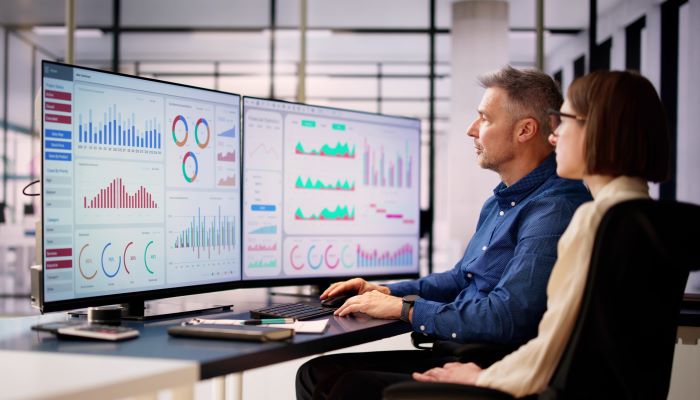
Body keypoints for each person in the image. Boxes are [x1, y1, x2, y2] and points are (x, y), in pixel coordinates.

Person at [296, 66, 592, 400]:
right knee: (315, 373)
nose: (471, 130)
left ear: (525, 130)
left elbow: (510, 316)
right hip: (463, 348)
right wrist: (386, 292)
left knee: (345, 387)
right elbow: (461, 279)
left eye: (484, 118)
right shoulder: (500, 202)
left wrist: (406, 310)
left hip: (492, 359)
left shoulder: (553, 210)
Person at [410, 70, 670, 397]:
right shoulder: (641, 215)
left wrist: (481, 378)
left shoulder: (596, 219)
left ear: (599, 132)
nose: (554, 136)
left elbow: (550, 348)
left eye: (565, 122)